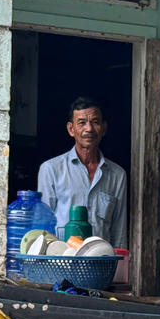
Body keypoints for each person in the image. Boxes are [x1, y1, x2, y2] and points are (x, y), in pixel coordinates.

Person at [36, 96, 128, 249]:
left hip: (101, 263)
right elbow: (43, 227)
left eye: (95, 122)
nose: (89, 129)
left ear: (104, 128)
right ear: (71, 129)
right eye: (82, 123)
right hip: (62, 263)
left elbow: (119, 230)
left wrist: (120, 268)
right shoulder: (51, 169)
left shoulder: (117, 175)